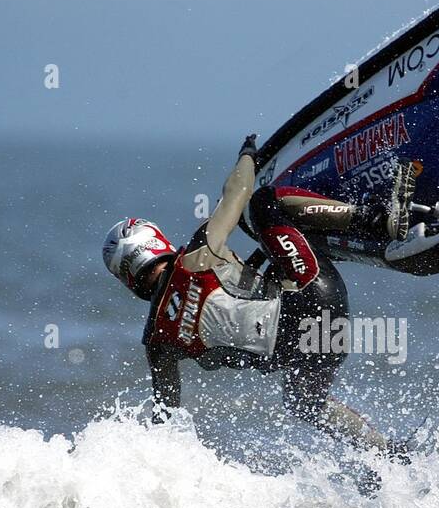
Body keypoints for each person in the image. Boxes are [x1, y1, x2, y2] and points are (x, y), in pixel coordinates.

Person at [101, 134, 409, 456]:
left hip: (319, 345)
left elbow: (165, 415)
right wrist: (248, 155)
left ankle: (390, 454)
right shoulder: (197, 257)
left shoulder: (158, 343)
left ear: (128, 278)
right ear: (156, 243)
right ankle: (375, 220)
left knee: (303, 402)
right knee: (265, 204)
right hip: (317, 296)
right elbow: (238, 191)